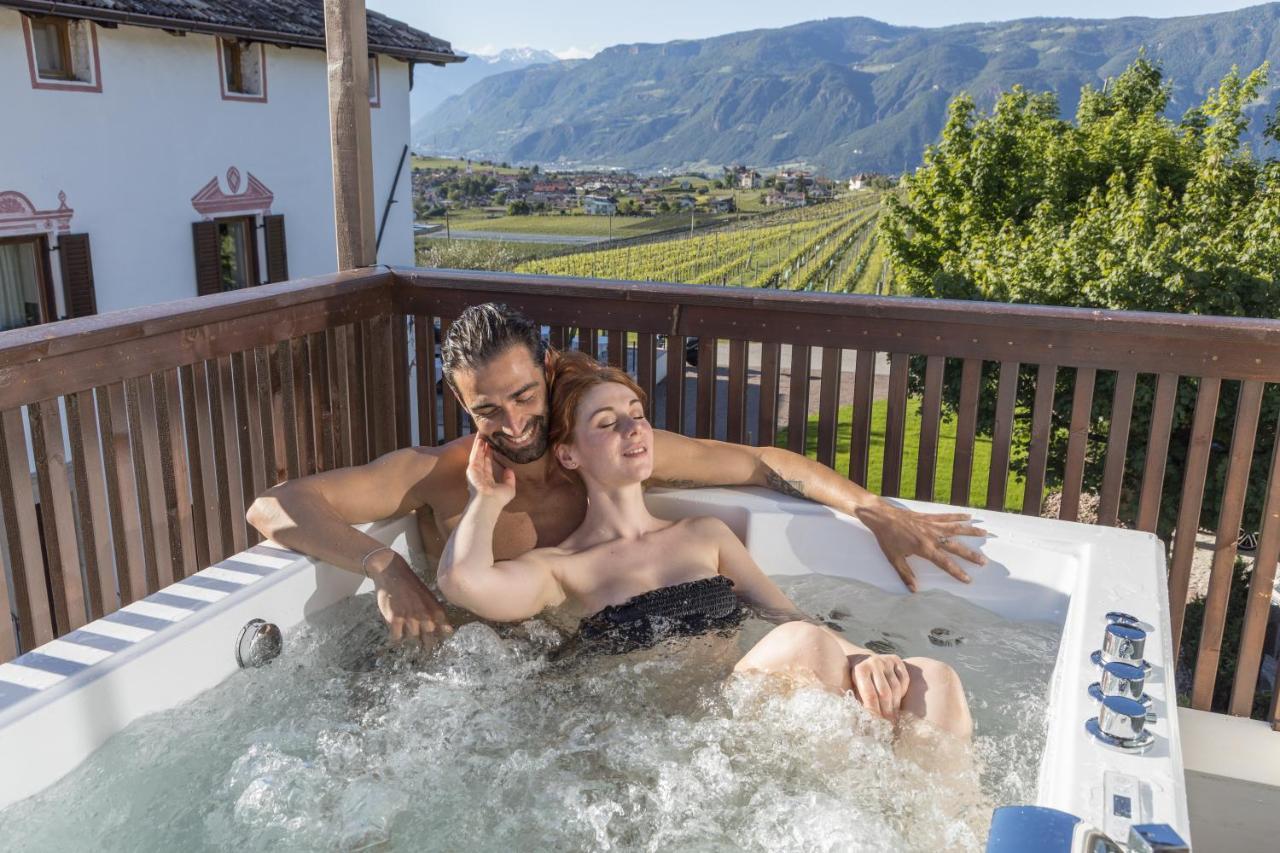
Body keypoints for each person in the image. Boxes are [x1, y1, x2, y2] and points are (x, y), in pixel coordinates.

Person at [247, 303, 988, 643]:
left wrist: (872, 509)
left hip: (601, 653)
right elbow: (275, 508)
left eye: (524, 396)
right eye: (486, 411)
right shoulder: (436, 476)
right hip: (480, 669)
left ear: (544, 369)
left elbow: (766, 463)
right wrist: (385, 567)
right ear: (458, 400)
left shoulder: (603, 451)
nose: (512, 425)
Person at [437, 350, 972, 738]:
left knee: (933, 681)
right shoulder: (560, 570)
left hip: (745, 707)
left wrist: (867, 657)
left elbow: (786, 614)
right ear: (569, 455)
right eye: (607, 423)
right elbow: (463, 583)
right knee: (804, 648)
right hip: (680, 740)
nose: (633, 429)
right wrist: (485, 497)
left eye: (637, 414)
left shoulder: (705, 536)